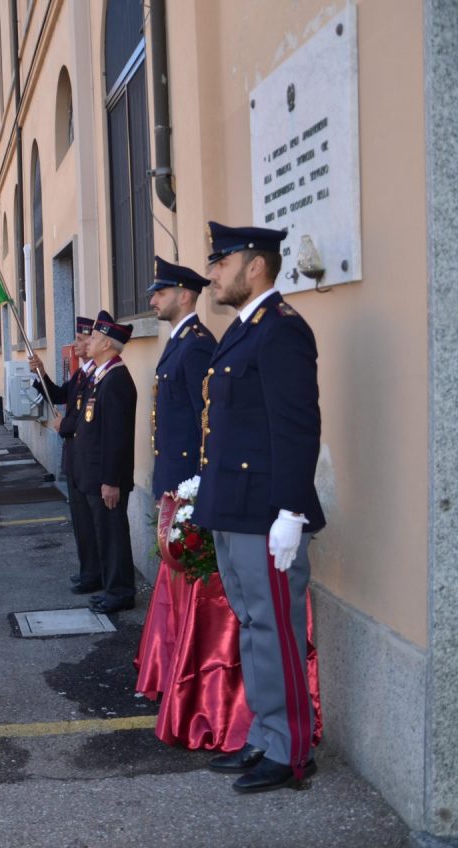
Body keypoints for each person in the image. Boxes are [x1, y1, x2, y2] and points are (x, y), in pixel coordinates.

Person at [195, 221, 324, 793]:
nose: (213, 274)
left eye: (221, 262)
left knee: (277, 629)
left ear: (255, 266)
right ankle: (268, 733)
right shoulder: (244, 330)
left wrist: (291, 512)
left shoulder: (282, 331)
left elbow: (297, 427)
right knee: (252, 625)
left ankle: (292, 750)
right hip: (235, 506)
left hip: (267, 510)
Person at [73, 311, 138, 615]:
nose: (91, 341)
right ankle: (112, 588)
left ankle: (121, 592)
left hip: (106, 479)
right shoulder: (101, 378)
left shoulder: (116, 380)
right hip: (94, 476)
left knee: (113, 536)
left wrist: (110, 480)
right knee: (104, 535)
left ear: (108, 345)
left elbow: (116, 438)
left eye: (97, 337)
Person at [29, 317, 99, 591]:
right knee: (81, 523)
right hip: (75, 457)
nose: (75, 344)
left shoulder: (97, 375)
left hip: (87, 459)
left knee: (92, 525)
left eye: (81, 339)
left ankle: (95, 574)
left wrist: (64, 425)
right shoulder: (81, 374)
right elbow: (59, 395)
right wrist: (41, 374)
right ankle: (88, 570)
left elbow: (84, 418)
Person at [148, 257, 217, 497]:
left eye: (161, 293)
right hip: (171, 476)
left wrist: (200, 485)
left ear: (184, 296)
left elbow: (206, 419)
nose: (152, 301)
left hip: (187, 482)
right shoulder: (178, 341)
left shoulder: (197, 345)